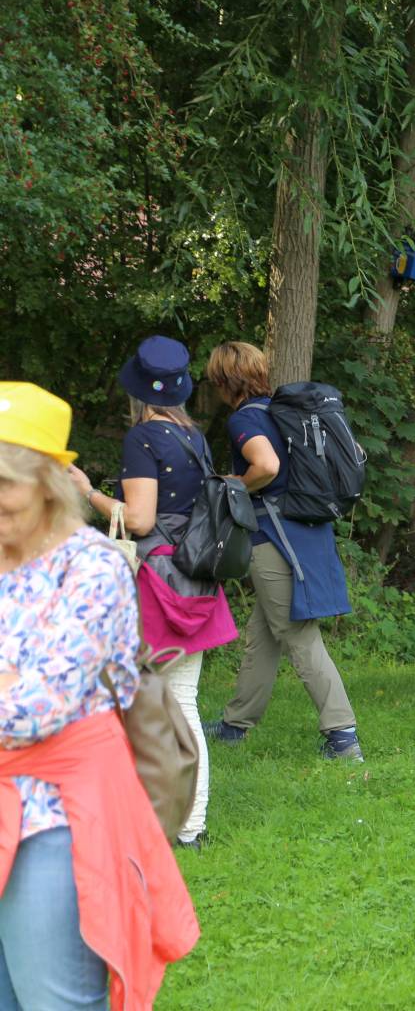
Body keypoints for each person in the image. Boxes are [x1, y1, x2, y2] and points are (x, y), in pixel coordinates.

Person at [0, 382, 199, 1008]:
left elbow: (37, 707)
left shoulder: (90, 566)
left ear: (49, 482)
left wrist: (19, 687)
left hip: (57, 819)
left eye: (5, 482)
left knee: (52, 1000)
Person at [67, 336, 238, 848]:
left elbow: (138, 519)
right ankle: (187, 823)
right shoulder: (195, 438)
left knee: (148, 705)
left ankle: (164, 822)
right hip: (196, 577)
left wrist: (87, 492)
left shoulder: (142, 440)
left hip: (158, 582)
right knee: (179, 701)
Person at [201, 342, 363, 760]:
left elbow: (267, 466)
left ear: (224, 380)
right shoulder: (277, 411)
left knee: (297, 634)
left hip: (274, 539)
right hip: (303, 532)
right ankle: (237, 724)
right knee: (263, 636)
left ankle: (342, 734)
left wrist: (232, 485)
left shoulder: (244, 419)